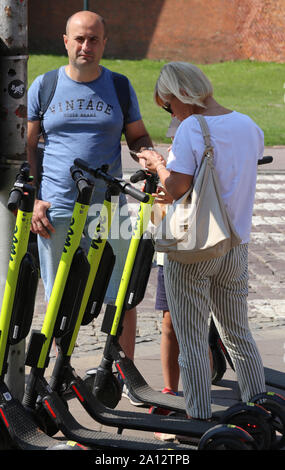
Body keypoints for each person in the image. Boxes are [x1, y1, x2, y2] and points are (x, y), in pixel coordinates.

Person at [27, 11, 153, 380]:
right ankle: (58, 375)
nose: (86, 46)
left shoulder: (118, 85)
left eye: (94, 39)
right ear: (65, 40)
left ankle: (121, 374)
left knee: (123, 293)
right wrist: (35, 198)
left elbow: (137, 136)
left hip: (109, 207)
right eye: (79, 39)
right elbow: (29, 145)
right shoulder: (45, 85)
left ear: (104, 43)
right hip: (58, 206)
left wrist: (147, 153)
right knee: (60, 294)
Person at [139, 61, 266, 420]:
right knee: (238, 334)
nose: (170, 112)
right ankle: (260, 407)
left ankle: (198, 418)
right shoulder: (248, 125)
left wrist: (158, 165)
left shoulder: (193, 126)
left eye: (168, 104)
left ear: (181, 94)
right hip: (236, 244)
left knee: (192, 340)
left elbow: (175, 188)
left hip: (197, 247)